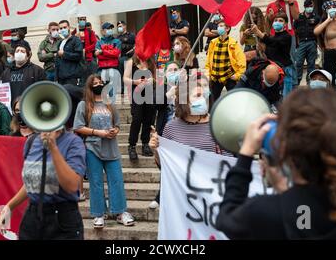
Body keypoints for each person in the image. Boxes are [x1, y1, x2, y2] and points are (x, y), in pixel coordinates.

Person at [216, 88, 336, 239]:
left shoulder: (265, 212)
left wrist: (245, 154)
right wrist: (286, 193)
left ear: (287, 150)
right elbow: (308, 217)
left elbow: (227, 217)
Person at [148, 75, 227, 208]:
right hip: (182, 198)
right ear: (184, 100)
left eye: (203, 96)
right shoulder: (171, 127)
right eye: (197, 96)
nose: (202, 100)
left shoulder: (219, 123)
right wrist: (155, 149)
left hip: (212, 195)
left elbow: (229, 160)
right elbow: (166, 165)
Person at [0, 127, 86, 240]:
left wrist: (53, 148)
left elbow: (72, 185)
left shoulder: (73, 142)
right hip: (32, 217)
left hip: (62, 220)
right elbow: (35, 181)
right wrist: (9, 206)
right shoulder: (32, 142)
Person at [73, 74, 135, 229]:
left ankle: (120, 212)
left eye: (101, 82)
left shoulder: (110, 103)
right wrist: (97, 132)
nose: (99, 85)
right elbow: (78, 126)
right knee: (96, 182)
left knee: (116, 179)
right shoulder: (84, 105)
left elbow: (118, 124)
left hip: (111, 147)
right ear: (89, 87)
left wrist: (116, 130)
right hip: (92, 147)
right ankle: (99, 214)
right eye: (95, 83)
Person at [252, 13, 294, 98]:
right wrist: (262, 50)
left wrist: (259, 33)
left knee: (286, 97)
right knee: (274, 97)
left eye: (280, 21)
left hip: (285, 70)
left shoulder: (287, 36)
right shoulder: (272, 37)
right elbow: (269, 54)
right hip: (273, 70)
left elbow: (274, 43)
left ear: (285, 24)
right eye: (275, 20)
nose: (277, 22)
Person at [124, 55, 157, 160]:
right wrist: (135, 82)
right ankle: (132, 146)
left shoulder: (151, 62)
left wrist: (152, 80)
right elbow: (125, 79)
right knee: (137, 119)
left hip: (149, 93)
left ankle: (145, 144)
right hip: (136, 94)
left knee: (148, 120)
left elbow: (156, 78)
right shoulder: (131, 62)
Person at [206, 21, 246, 102]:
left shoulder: (233, 43)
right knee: (213, 101)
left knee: (234, 100)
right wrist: (208, 74)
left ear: (227, 29)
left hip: (229, 76)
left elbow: (241, 60)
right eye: (218, 26)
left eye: (221, 26)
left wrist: (238, 74)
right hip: (215, 77)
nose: (218, 28)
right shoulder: (213, 43)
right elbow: (208, 60)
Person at [293, 0, 321, 85]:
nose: (310, 8)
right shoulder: (299, 17)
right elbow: (295, 31)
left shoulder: (316, 17)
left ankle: (310, 82)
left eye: (311, 6)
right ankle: (297, 81)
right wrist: (296, 44)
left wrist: (319, 45)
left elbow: (318, 31)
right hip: (301, 43)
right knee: (299, 62)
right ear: (304, 7)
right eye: (308, 6)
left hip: (312, 42)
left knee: (311, 63)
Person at [95, 22, 122, 99]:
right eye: (108, 28)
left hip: (113, 69)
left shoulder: (117, 41)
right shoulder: (99, 42)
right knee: (101, 92)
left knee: (112, 93)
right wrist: (110, 54)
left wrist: (102, 52)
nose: (110, 30)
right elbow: (98, 56)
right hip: (101, 69)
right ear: (103, 31)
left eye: (111, 28)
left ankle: (112, 109)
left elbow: (116, 54)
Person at [55, 20, 85, 86]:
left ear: (69, 27)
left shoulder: (76, 40)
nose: (63, 30)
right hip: (61, 78)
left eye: (65, 27)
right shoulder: (60, 43)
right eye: (61, 28)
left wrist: (64, 54)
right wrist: (56, 78)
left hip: (72, 77)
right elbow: (57, 61)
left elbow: (79, 56)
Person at [117, 20, 135, 93]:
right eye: (118, 27)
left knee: (129, 74)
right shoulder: (117, 37)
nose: (119, 28)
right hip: (120, 58)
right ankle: (122, 90)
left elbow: (137, 44)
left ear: (125, 26)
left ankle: (131, 90)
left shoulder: (131, 35)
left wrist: (133, 50)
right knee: (121, 75)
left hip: (129, 58)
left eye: (120, 26)